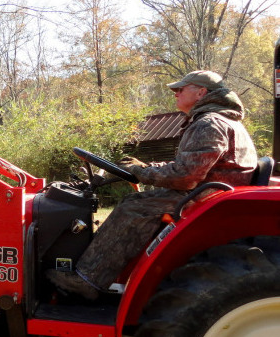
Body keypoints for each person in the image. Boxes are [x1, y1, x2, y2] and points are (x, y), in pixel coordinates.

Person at [48, 70, 258, 300]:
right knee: (139, 202)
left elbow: (186, 176)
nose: (175, 93)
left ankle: (88, 279)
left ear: (201, 93)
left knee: (133, 207)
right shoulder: (219, 120)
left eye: (181, 89)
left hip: (204, 197)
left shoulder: (209, 123)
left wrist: (141, 172)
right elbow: (187, 164)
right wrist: (147, 166)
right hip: (209, 193)